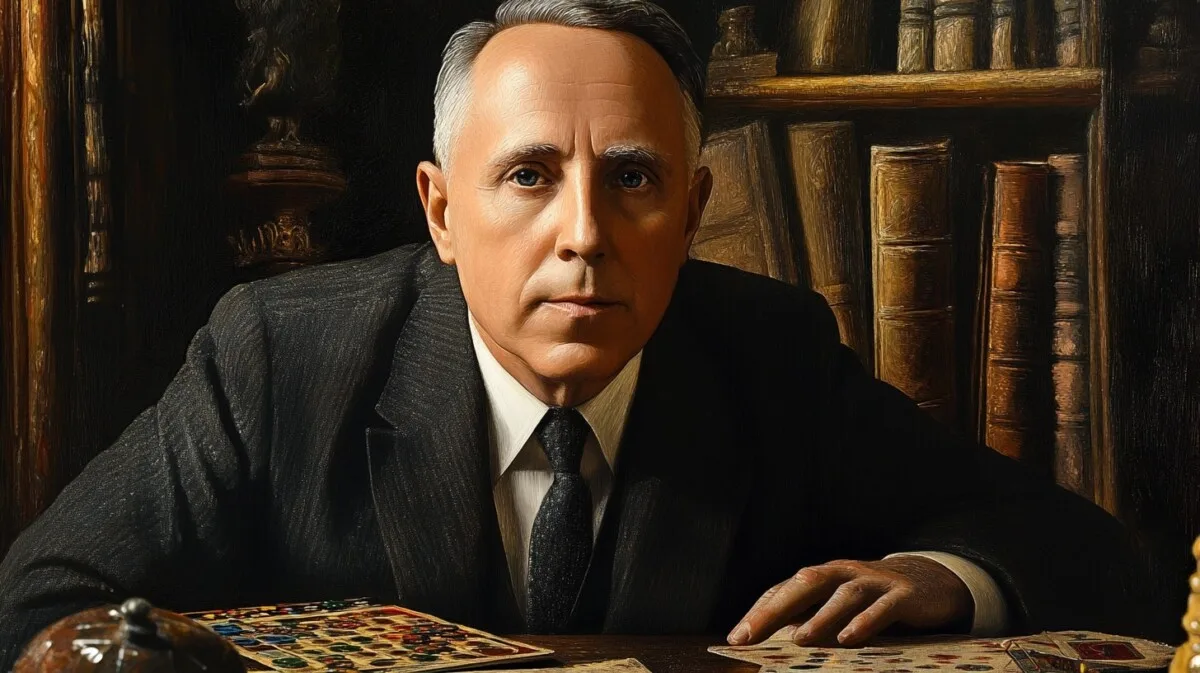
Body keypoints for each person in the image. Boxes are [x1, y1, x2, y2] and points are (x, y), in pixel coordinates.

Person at [0, 0, 1156, 667]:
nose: (587, 235)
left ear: (696, 213)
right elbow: (42, 594)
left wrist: (940, 576)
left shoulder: (770, 351)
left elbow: (1090, 551)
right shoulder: (278, 355)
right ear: (441, 211)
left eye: (636, 178)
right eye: (529, 175)